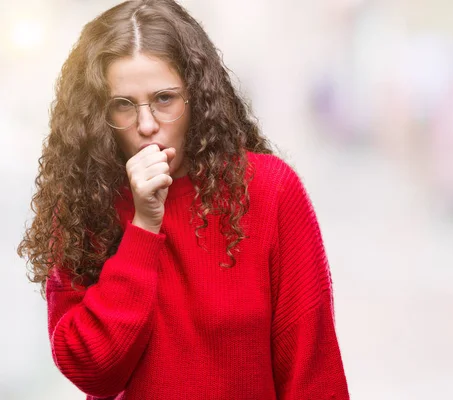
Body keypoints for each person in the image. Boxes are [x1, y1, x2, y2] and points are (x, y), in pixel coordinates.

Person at [17, 1, 350, 399]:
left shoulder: (269, 189)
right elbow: (92, 370)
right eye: (123, 104)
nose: (146, 125)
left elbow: (312, 374)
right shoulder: (83, 202)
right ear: (94, 113)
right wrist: (144, 226)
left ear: (197, 97)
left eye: (164, 99)